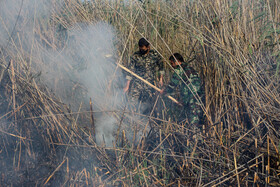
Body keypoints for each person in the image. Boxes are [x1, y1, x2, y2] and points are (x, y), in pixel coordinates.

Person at [160, 53, 203, 125]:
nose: (171, 65)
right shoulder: (191, 69)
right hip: (199, 97)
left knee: (193, 121)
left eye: (172, 63)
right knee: (197, 118)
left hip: (191, 98)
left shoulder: (179, 70)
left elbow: (172, 85)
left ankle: (194, 134)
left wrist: (164, 91)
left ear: (177, 61)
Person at [123, 38, 164, 113]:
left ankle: (144, 120)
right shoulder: (135, 56)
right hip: (138, 83)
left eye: (143, 48)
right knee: (131, 102)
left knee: (147, 105)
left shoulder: (154, 55)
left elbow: (161, 67)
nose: (141, 50)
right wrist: (127, 85)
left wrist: (161, 79)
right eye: (140, 48)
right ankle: (130, 118)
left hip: (150, 84)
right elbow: (130, 71)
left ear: (148, 47)